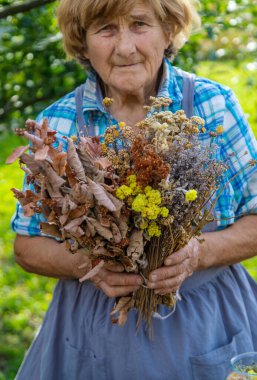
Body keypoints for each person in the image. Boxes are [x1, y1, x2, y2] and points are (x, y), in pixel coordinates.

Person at [12, 0, 257, 379]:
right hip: (93, 326)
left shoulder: (213, 106)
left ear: (168, 30)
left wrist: (199, 254)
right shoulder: (57, 125)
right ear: (83, 42)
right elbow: (26, 246)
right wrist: (90, 266)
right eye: (106, 29)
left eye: (139, 24)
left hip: (208, 321)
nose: (125, 47)